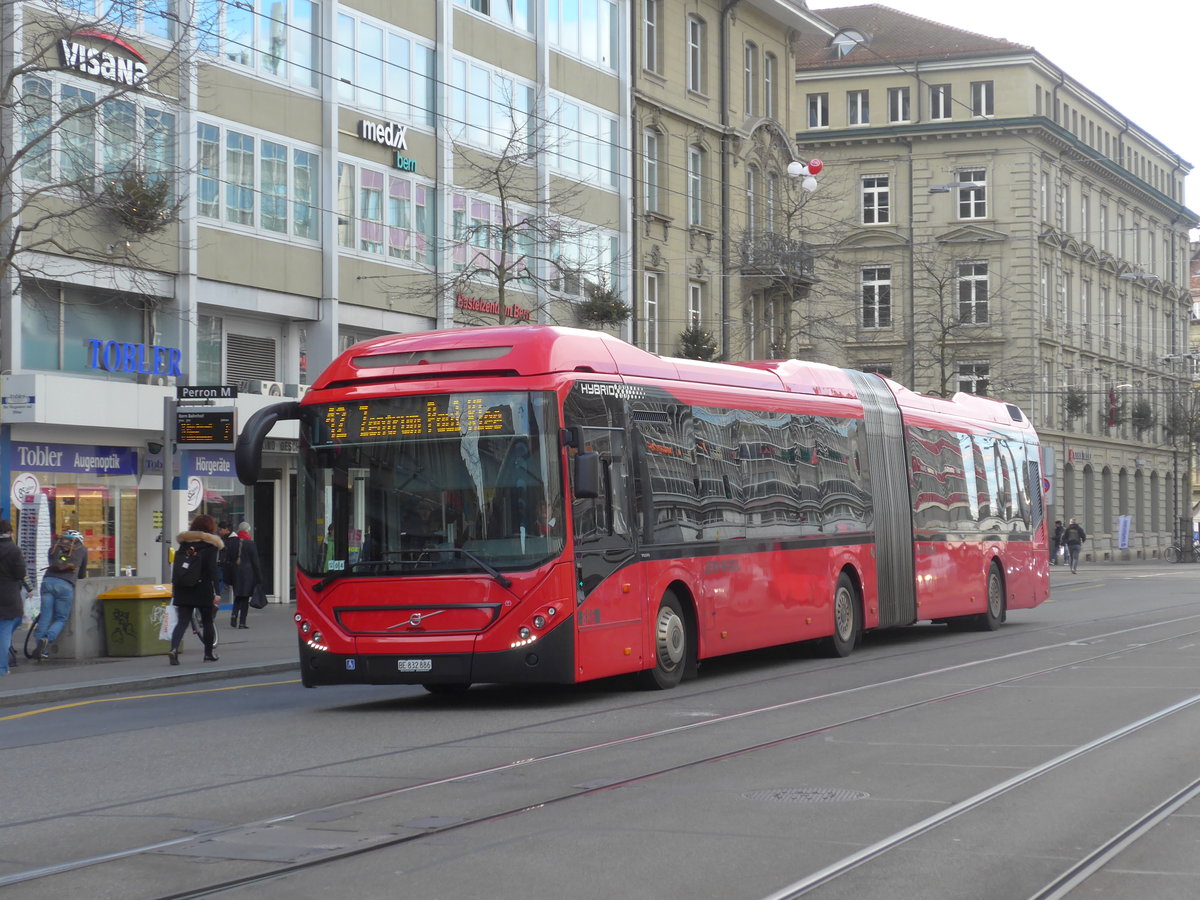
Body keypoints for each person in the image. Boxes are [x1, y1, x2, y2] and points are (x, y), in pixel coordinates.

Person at [168, 514, 223, 664]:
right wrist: (217, 592)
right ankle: (208, 654)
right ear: (210, 528)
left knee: (182, 621)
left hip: (183, 587)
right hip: (202, 587)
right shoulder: (210, 546)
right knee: (207, 621)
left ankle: (173, 649)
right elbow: (212, 570)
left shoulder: (184, 544)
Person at [33, 529, 87, 660]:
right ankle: (47, 638)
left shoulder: (55, 545)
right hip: (65, 584)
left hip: (48, 581)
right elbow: (82, 571)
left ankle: (41, 650)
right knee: (60, 618)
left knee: (45, 616)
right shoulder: (82, 549)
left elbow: (54, 563)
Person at [0, 520, 30, 677]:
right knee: (5, 632)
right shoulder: (14, 550)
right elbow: (20, 574)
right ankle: (2, 669)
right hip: (8, 594)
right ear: (10, 532)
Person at [229, 521, 263, 629]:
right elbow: (255, 562)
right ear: (248, 530)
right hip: (248, 574)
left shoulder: (233, 542)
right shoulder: (251, 544)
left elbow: (229, 558)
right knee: (245, 598)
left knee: (238, 596)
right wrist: (259, 577)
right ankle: (242, 622)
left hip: (235, 573)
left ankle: (234, 615)